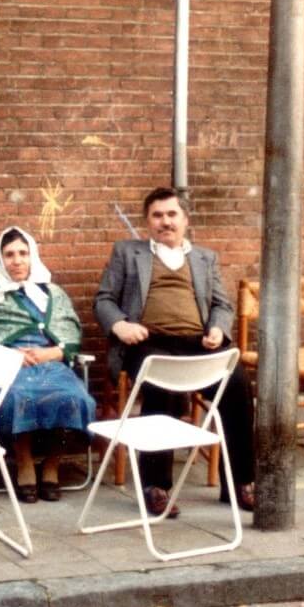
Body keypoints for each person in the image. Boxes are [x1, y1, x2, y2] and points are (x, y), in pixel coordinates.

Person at [94, 187, 256, 517]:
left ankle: (240, 483)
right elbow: (104, 300)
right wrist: (121, 325)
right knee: (161, 385)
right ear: (146, 221)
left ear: (185, 219)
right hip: (147, 342)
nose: (165, 222)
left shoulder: (204, 257)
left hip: (197, 344)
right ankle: (156, 486)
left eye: (172, 215)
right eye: (157, 215)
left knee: (237, 386)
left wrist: (217, 329)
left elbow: (222, 305)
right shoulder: (128, 252)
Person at [0, 226, 96, 503]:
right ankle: (24, 461)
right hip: (2, 366)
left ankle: (52, 465)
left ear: (33, 256)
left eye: (23, 253)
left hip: (48, 361)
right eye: (9, 255)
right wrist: (9, 355)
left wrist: (54, 352)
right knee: (18, 396)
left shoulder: (53, 293)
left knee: (74, 397)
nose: (17, 261)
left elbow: (70, 333)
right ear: (0, 259)